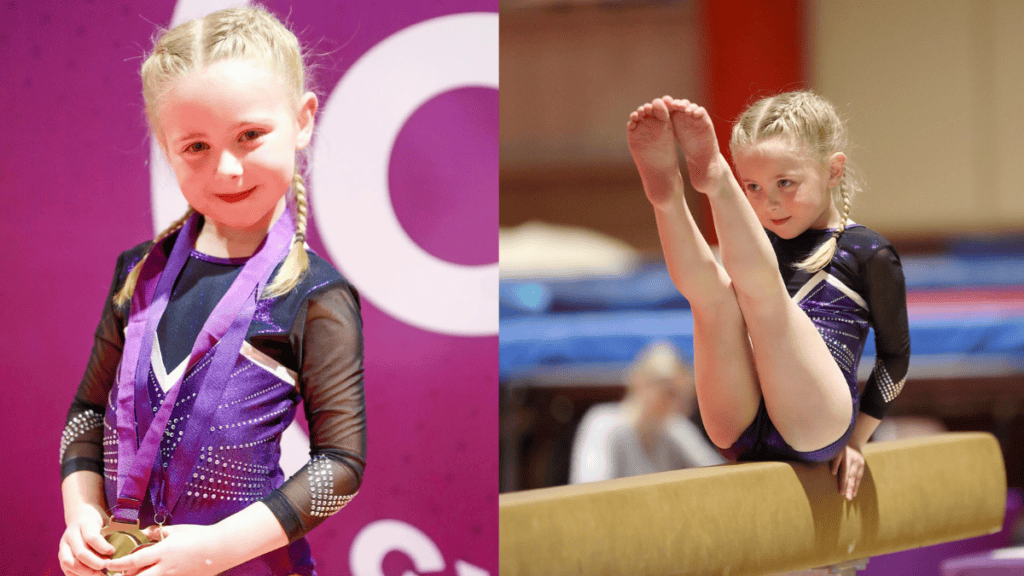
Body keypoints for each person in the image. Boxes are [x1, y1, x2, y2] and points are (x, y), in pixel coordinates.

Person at [57, 7, 365, 575]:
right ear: (164, 144)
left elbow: (340, 466)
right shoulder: (138, 273)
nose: (227, 168)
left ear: (302, 120)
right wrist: (82, 514)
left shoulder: (314, 294)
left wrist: (210, 552)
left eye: (249, 135)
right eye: (195, 146)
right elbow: (87, 413)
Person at [625, 92, 910, 502]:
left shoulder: (867, 252)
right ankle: (665, 197)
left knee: (765, 297)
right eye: (752, 187)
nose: (769, 202)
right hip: (738, 422)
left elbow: (895, 359)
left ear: (833, 170)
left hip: (815, 422)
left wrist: (857, 439)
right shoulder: (753, 248)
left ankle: (713, 181)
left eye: (785, 183)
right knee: (713, 300)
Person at [569, 341, 724, 484]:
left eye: (683, 397)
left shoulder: (674, 428)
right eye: (669, 392)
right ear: (640, 382)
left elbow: (720, 477)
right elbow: (589, 489)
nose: (677, 405)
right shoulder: (604, 423)